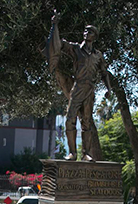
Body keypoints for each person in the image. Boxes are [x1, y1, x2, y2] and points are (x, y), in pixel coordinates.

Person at [44, 11, 111, 161]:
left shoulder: (97, 55)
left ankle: (86, 153)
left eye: (90, 31)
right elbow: (59, 45)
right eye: (86, 30)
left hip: (90, 89)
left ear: (95, 36)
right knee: (70, 119)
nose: (86, 33)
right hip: (78, 87)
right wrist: (54, 25)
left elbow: (104, 72)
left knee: (87, 121)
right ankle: (72, 153)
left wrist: (108, 89)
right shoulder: (75, 49)